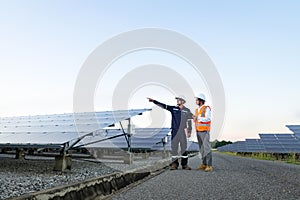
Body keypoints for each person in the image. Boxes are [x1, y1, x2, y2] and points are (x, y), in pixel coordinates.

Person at [147, 95, 193, 170]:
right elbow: (164, 106)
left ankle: (185, 165)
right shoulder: (173, 108)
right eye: (177, 99)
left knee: (184, 148)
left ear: (183, 101)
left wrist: (190, 131)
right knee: (174, 148)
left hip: (182, 132)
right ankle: (174, 164)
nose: (177, 100)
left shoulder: (187, 110)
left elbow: (189, 121)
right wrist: (154, 101)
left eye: (179, 99)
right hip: (174, 131)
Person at [194, 93, 213, 172]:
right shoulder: (196, 110)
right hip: (198, 131)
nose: (196, 101)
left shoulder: (206, 108)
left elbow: (208, 119)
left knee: (207, 148)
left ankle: (209, 165)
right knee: (201, 149)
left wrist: (198, 118)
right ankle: (204, 164)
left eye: (197, 100)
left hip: (205, 131)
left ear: (201, 101)